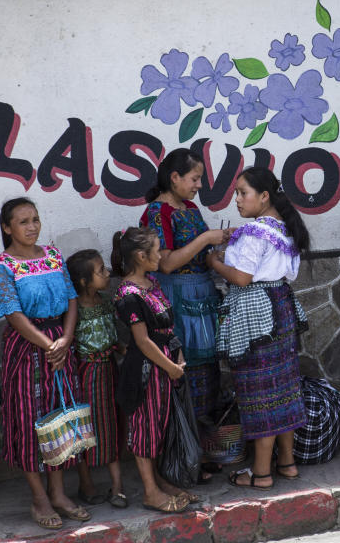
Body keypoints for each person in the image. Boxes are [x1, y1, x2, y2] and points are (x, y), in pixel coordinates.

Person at [0, 198, 89, 529]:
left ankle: (58, 492)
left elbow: (72, 298)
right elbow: (13, 314)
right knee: (31, 419)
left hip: (60, 340)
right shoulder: (1, 267)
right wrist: (49, 345)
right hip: (27, 347)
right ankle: (39, 498)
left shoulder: (53, 256)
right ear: (7, 228)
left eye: (35, 220)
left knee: (59, 415)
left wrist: (67, 339)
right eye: (23, 222)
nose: (31, 227)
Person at [207, 167, 309, 490]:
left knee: (259, 391)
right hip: (280, 306)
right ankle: (287, 464)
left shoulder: (254, 232)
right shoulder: (284, 228)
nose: (237, 199)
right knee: (283, 386)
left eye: (243, 193)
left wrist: (214, 262)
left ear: (264, 197)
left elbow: (241, 278)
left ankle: (261, 473)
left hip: (256, 312)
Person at [140, 148, 230, 480]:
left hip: (203, 297)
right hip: (176, 299)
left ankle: (202, 452)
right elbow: (165, 262)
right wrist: (207, 237)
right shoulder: (156, 212)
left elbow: (202, 255)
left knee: (207, 375)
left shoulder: (190, 208)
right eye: (194, 179)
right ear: (174, 177)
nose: (198, 186)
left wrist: (219, 248)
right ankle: (181, 454)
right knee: (182, 375)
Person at [112, 227, 198, 513]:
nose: (161, 255)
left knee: (161, 424)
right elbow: (142, 341)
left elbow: (167, 328)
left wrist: (179, 358)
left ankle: (161, 480)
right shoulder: (128, 295)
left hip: (168, 363)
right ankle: (150, 491)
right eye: (157, 250)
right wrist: (171, 367)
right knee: (145, 428)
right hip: (147, 370)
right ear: (140, 255)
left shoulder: (151, 283)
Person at [66, 249, 127, 509]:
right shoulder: (73, 308)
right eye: (101, 270)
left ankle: (118, 485)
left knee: (111, 422)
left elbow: (112, 335)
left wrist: (122, 348)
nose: (107, 273)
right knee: (84, 426)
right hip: (86, 374)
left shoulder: (105, 301)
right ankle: (86, 483)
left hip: (109, 370)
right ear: (83, 281)